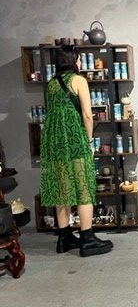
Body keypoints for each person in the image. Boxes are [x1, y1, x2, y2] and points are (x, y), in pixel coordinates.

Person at [40, 47, 113, 257]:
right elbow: (87, 115)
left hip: (54, 143)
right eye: (79, 59)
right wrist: (89, 141)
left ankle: (64, 238)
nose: (80, 62)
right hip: (74, 141)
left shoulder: (52, 84)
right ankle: (87, 239)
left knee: (62, 189)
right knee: (84, 188)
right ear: (72, 61)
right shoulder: (79, 80)